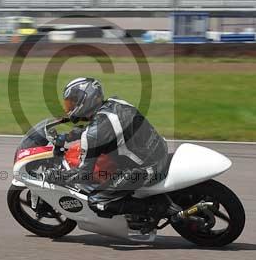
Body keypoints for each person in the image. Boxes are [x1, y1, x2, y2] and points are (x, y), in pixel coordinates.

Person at [46, 77, 169, 217]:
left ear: (85, 99)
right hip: (159, 150)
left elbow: (84, 175)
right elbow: (105, 130)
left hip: (147, 169)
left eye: (72, 102)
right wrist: (68, 136)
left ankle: (153, 209)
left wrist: (56, 175)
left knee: (97, 200)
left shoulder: (94, 133)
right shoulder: (116, 103)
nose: (69, 108)